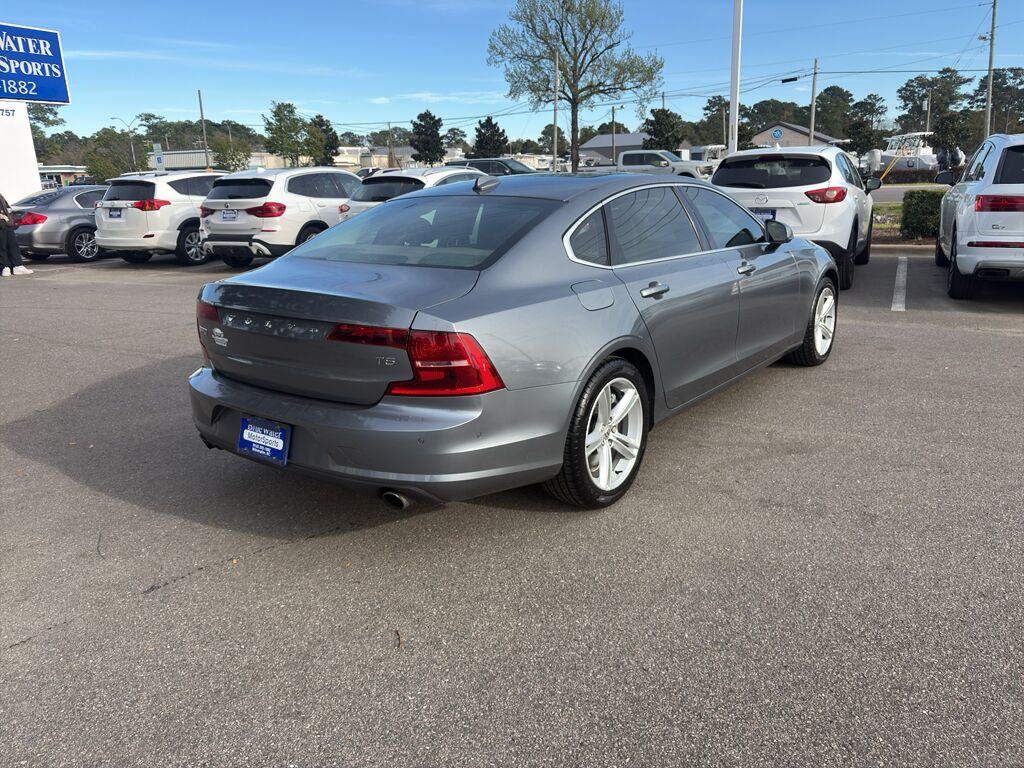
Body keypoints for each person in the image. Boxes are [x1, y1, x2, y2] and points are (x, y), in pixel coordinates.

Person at [0, 191, 33, 277]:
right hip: (2, 224)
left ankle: (17, 266)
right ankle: (4, 267)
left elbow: (6, 208)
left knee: (13, 245)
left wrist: (8, 216)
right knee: (2, 246)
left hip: (6, 224)